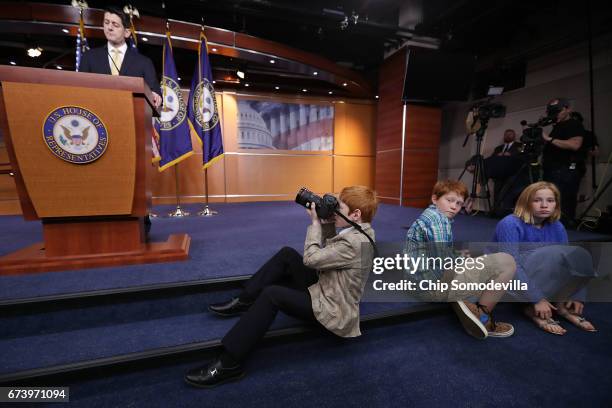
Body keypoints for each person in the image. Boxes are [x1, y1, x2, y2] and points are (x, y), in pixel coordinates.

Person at [185, 186, 378, 388]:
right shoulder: (358, 231)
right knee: (287, 254)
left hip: (333, 309)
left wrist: (315, 224)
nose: (333, 208)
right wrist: (328, 225)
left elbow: (312, 259)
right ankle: (245, 301)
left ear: (355, 214)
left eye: (339, 206)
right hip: (327, 287)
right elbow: (332, 254)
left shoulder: (354, 242)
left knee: (272, 295)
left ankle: (228, 364)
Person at [405, 180, 516, 339]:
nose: (454, 207)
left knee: (479, 262)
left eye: (459, 203)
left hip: (417, 282)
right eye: (449, 200)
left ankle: (463, 300)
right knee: (507, 262)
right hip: (432, 286)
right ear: (435, 199)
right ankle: (482, 317)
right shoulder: (438, 222)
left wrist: (457, 256)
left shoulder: (430, 215)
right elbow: (442, 260)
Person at [493, 181, 597, 335]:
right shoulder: (510, 223)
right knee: (554, 253)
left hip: (538, 273)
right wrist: (537, 299)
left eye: (550, 200)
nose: (544, 205)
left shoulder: (557, 226)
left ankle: (562, 306)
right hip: (510, 280)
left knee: (578, 254)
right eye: (537, 200)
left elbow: (572, 261)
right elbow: (510, 265)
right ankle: (530, 308)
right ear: (526, 202)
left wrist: (577, 295)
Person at [79, 6, 162, 108]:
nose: (109, 27)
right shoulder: (89, 57)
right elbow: (80, 91)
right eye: (106, 22)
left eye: (115, 25)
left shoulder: (144, 62)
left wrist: (155, 96)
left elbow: (155, 94)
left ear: (127, 33)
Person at [541, 98, 585, 224]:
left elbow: (575, 144)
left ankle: (564, 233)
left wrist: (548, 139)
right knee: (550, 201)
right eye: (552, 111)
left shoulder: (574, 124)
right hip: (551, 169)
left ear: (568, 109)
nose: (555, 114)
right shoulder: (557, 126)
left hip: (564, 170)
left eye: (558, 111)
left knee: (563, 203)